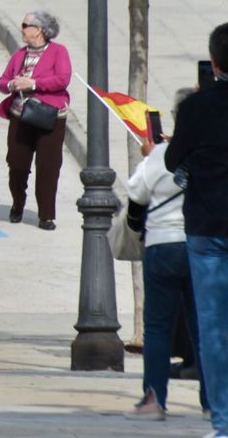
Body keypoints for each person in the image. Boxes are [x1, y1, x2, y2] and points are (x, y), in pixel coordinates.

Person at [164, 22, 228, 438]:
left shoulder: (196, 108)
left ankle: (223, 421)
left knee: (213, 327)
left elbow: (172, 161)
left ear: (215, 62)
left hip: (207, 226)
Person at [123, 121, 203, 422]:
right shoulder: (208, 152)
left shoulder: (160, 154)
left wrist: (149, 155)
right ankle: (211, 401)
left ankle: (154, 399)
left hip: (160, 245)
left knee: (157, 328)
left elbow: (136, 196)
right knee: (202, 326)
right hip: (198, 244)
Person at [0, 10, 70, 229]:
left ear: (39, 30)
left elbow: (62, 79)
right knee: (17, 164)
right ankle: (18, 203)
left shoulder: (58, 52)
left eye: (25, 25)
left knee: (48, 167)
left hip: (50, 116)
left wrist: (33, 84)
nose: (22, 29)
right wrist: (11, 85)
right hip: (21, 115)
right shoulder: (20, 54)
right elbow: (2, 80)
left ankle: (46, 215)